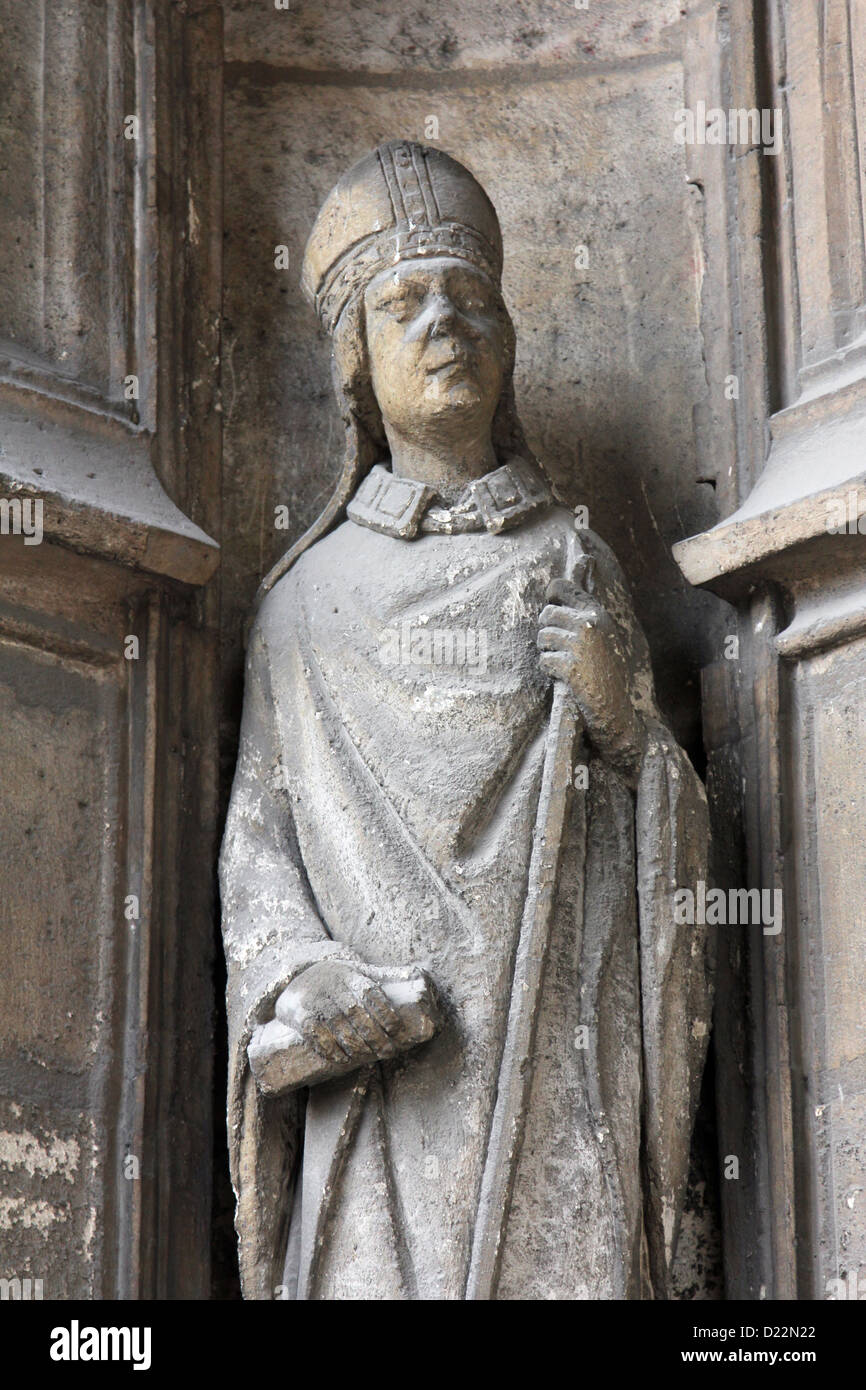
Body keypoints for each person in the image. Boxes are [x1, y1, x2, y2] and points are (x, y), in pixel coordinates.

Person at [220, 141, 712, 1300]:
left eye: (472, 298)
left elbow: (668, 833)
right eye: (404, 302)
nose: (445, 321)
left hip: (555, 1071)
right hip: (385, 1101)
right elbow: (258, 842)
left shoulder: (571, 562)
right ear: (357, 358)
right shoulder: (300, 608)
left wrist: (623, 727)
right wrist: (299, 979)